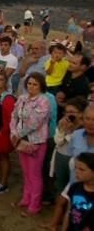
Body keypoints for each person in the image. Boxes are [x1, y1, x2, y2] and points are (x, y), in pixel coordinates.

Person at [10, 72, 51, 216]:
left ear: (41, 86)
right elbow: (14, 116)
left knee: (34, 174)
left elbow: (35, 122)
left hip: (36, 142)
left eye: (35, 84)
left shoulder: (44, 101)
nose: (31, 86)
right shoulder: (22, 98)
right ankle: (26, 199)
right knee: (26, 172)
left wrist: (18, 135)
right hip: (21, 140)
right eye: (29, 83)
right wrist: (13, 133)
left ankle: (35, 204)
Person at [47, 98, 88, 230]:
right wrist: (64, 130)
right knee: (60, 187)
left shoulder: (84, 128)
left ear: (81, 113)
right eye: (66, 111)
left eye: (72, 112)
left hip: (75, 163)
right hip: (60, 156)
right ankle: (57, 221)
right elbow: (58, 141)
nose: (68, 115)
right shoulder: (62, 122)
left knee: (71, 195)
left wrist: (70, 131)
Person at [58, 152, 94, 231]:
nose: (76, 172)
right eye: (75, 168)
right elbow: (69, 212)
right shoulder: (74, 187)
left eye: (81, 169)